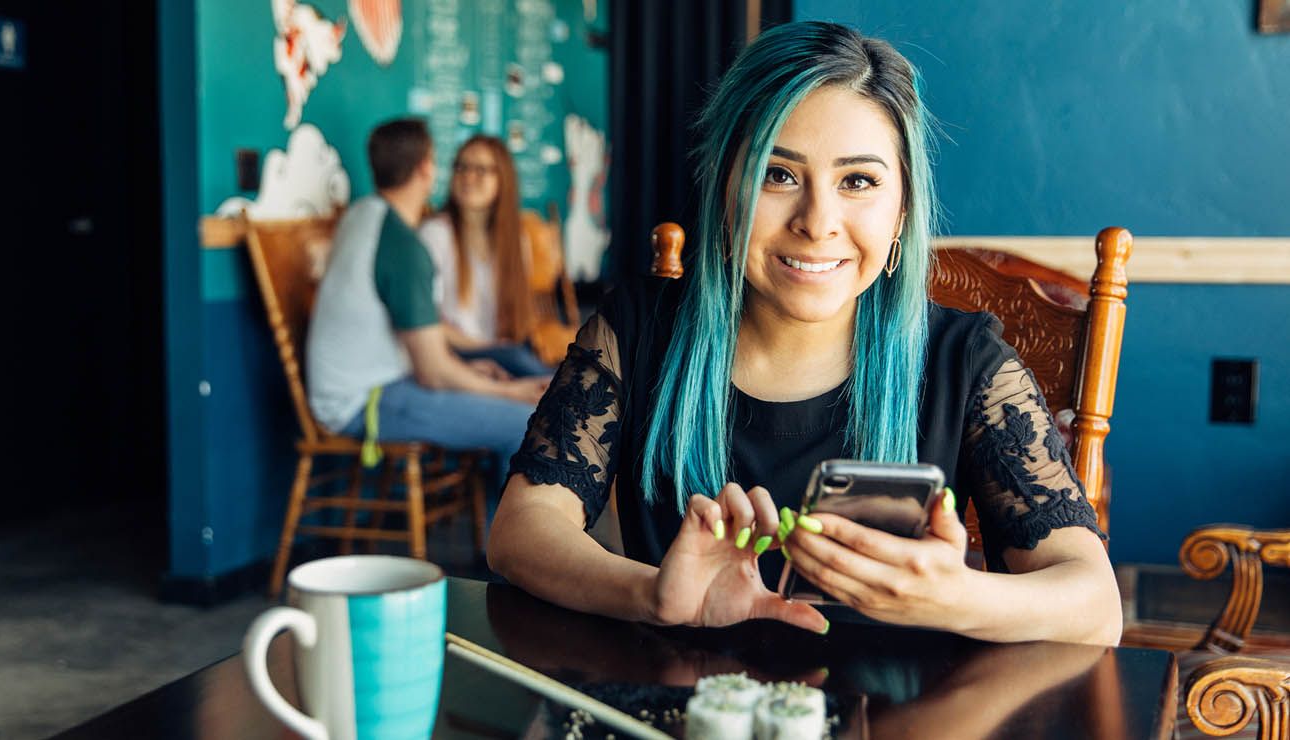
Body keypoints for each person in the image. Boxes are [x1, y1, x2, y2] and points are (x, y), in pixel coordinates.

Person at [487, 22, 1122, 646]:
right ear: (726, 192)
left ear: (901, 209)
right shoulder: (634, 332)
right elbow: (524, 528)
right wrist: (653, 597)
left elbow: (1095, 606)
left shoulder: (968, 363)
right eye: (778, 174)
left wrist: (955, 598)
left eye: (859, 181)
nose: (818, 223)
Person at [306, 118, 547, 500]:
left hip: (381, 383)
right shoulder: (403, 246)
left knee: (521, 400)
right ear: (425, 169)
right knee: (530, 424)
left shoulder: (364, 214)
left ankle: (500, 548)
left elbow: (425, 349)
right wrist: (512, 391)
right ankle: (506, 556)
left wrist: (473, 372)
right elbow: (433, 371)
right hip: (363, 401)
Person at [418, 135, 553, 379]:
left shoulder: (516, 239)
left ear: (503, 178)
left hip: (502, 351)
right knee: (530, 367)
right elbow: (429, 324)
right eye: (461, 167)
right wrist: (490, 350)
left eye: (481, 170)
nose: (468, 177)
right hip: (455, 353)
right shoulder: (435, 234)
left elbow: (517, 321)